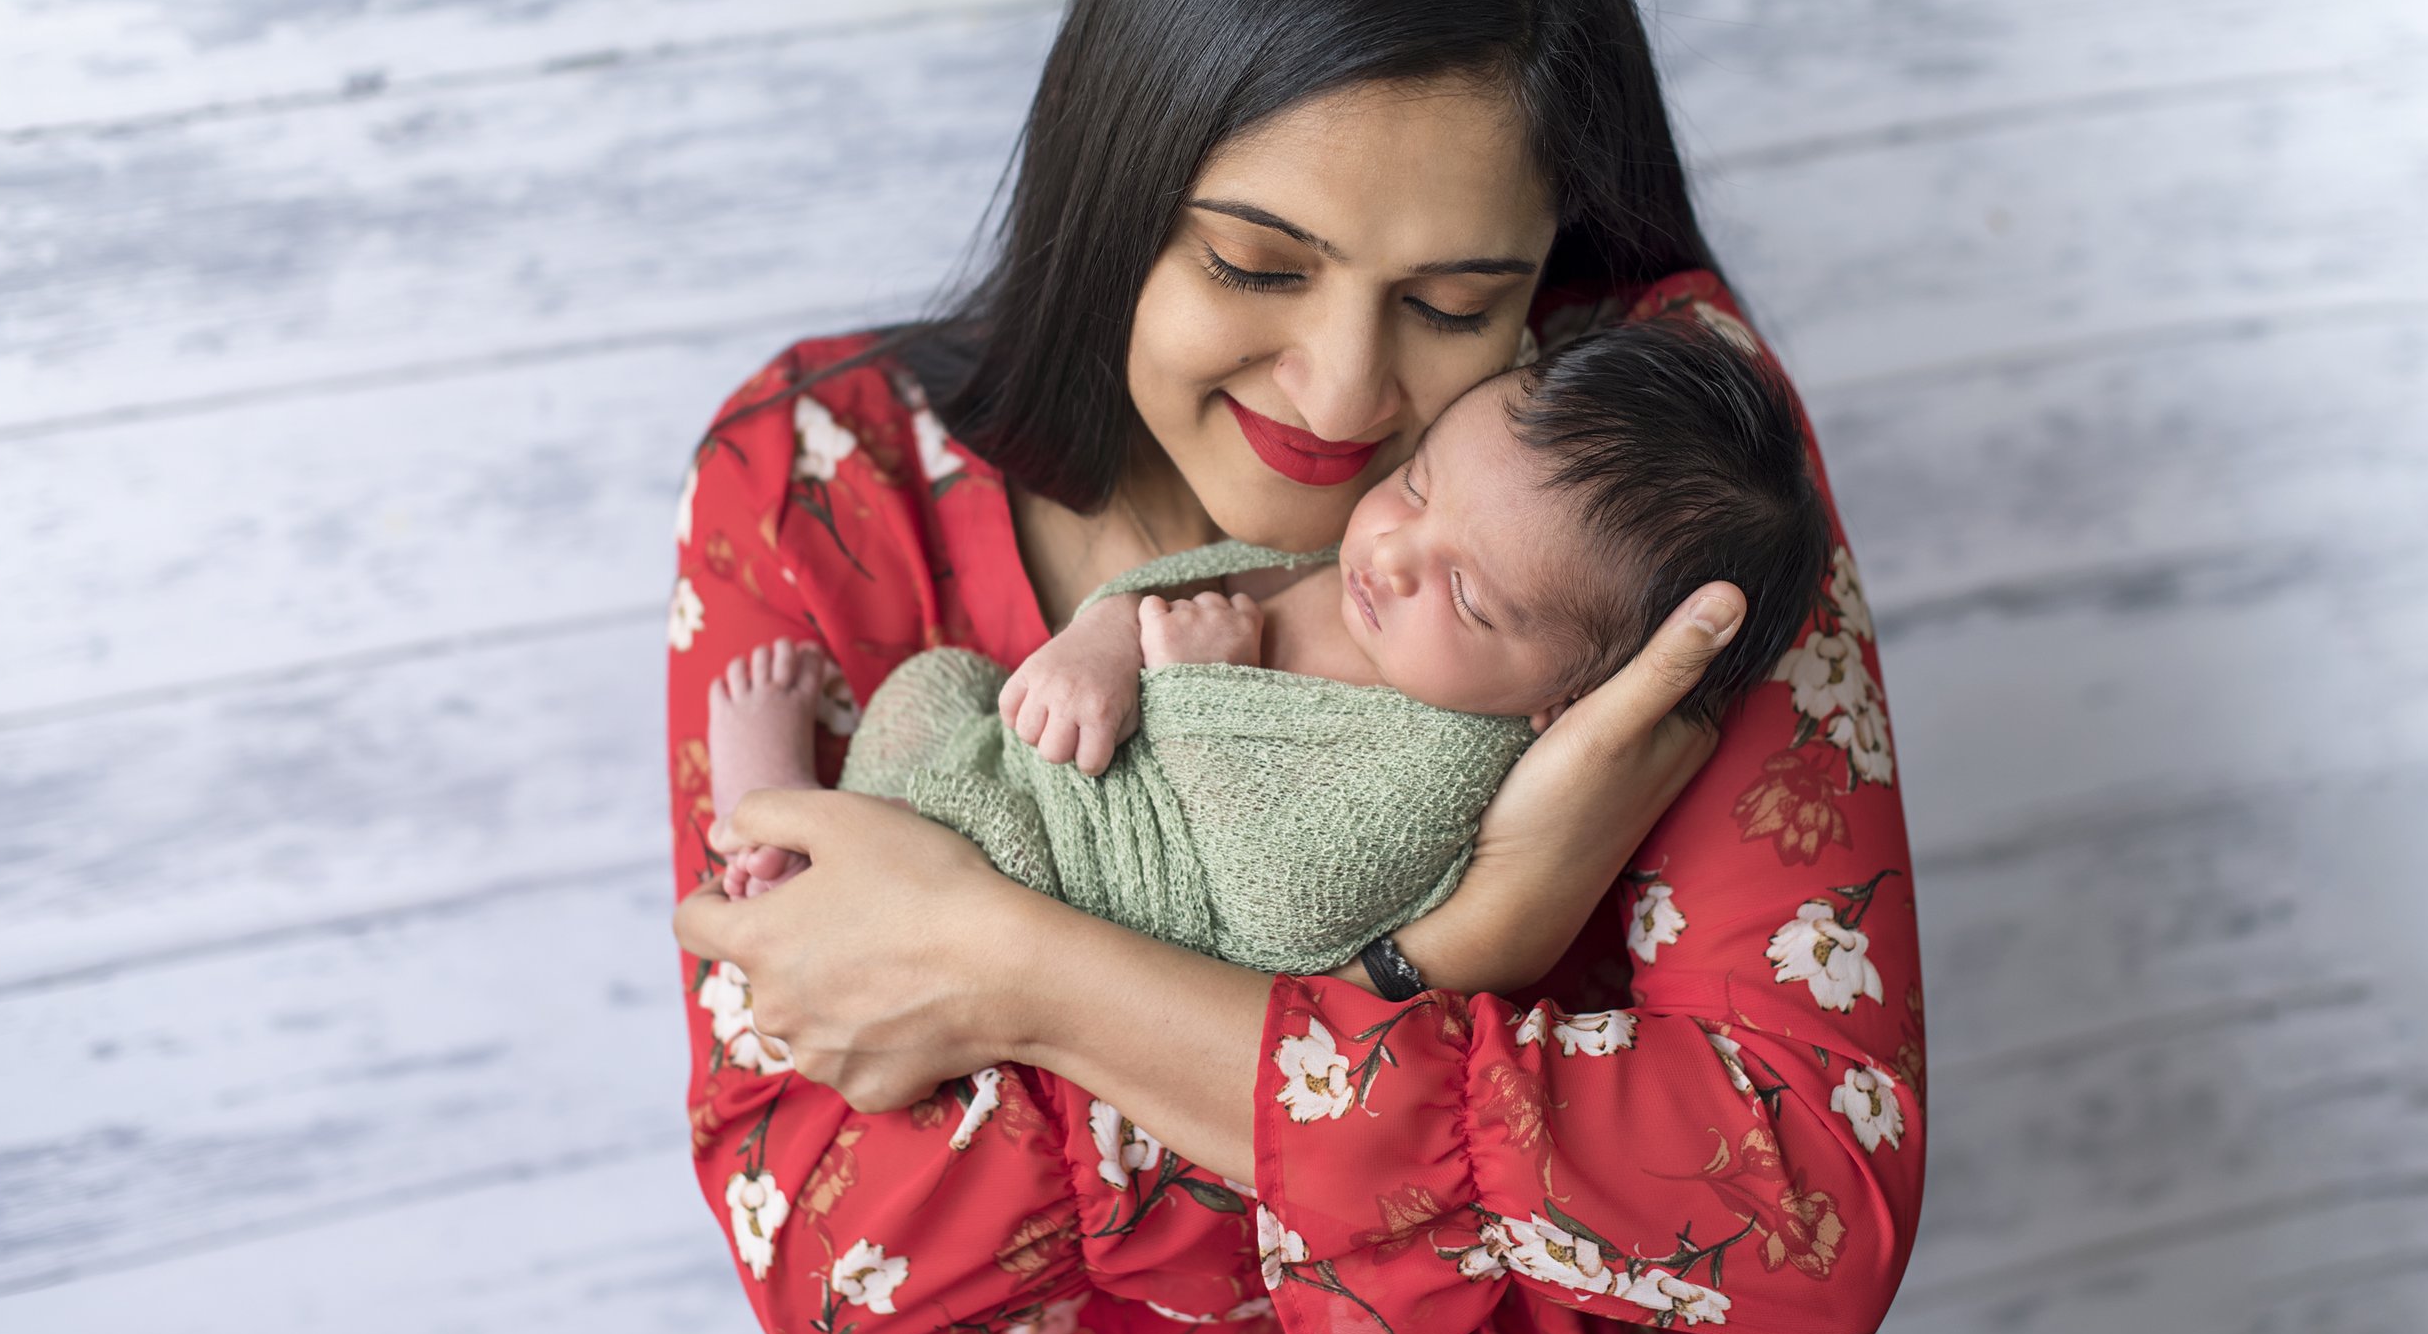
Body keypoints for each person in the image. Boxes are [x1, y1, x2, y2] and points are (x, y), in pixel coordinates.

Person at [668, 0, 1922, 1334]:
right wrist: (1473, 948)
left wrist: (1013, 974)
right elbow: (841, 1271)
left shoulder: (1641, 454)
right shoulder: (825, 477)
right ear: (1110, 186)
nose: (1340, 396)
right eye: (1255, 265)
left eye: (1460, 301)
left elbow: (1806, 1207)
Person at [702, 320, 1831, 998]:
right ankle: (793, 827)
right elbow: (1198, 584)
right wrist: (1102, 637)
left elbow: (1285, 903)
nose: (1389, 554)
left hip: (1084, 886)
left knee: (923, 867)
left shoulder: (1447, 755)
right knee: (937, 692)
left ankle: (776, 828)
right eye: (1421, 482)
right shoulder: (1355, 576)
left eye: (1468, 595)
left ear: (1571, 699)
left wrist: (1201, 688)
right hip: (1034, 767)